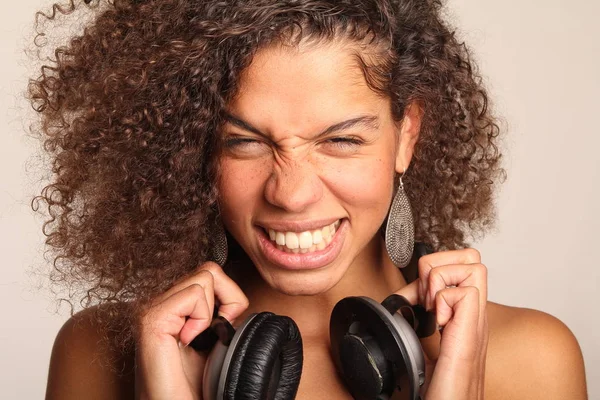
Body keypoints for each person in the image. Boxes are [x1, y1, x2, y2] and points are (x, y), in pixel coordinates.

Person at [30, 0, 587, 399]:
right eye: (244, 142)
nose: (292, 194)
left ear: (407, 134)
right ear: (189, 147)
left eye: (341, 140)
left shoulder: (533, 361)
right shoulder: (102, 355)